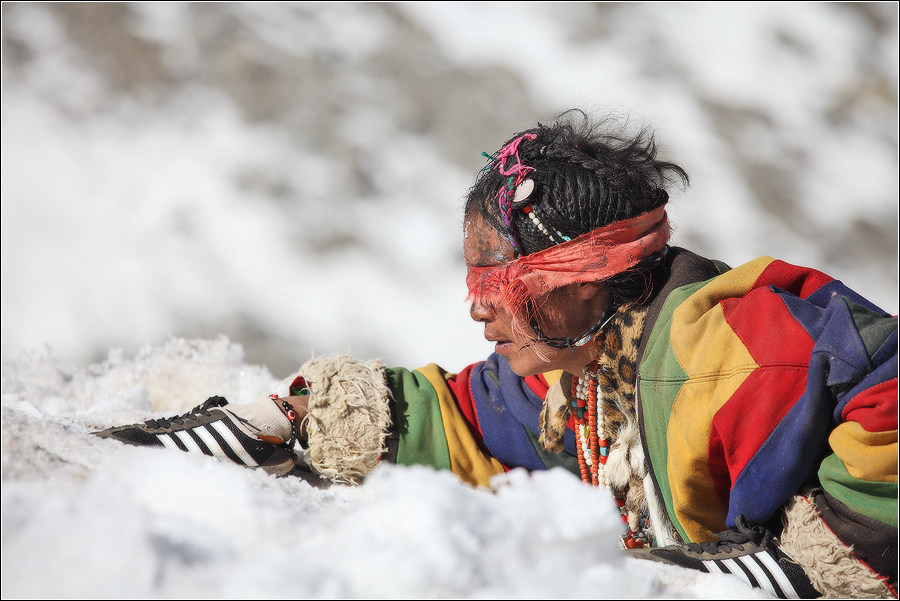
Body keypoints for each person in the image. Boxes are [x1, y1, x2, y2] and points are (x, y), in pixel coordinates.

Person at [95, 109, 898, 599]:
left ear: (590, 277)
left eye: (506, 279)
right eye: (474, 275)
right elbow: (465, 422)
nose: (479, 305)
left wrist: (826, 553)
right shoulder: (578, 381)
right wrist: (298, 420)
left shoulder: (723, 346)